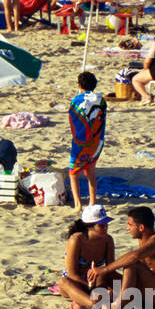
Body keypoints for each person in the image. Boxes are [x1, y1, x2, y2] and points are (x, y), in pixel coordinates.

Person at [87, 205, 155, 309]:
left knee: (131, 265)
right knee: (104, 274)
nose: (127, 228)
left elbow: (134, 256)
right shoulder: (142, 240)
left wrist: (105, 269)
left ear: (141, 227)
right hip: (147, 293)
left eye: (130, 225)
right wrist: (102, 272)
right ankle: (99, 306)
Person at [57, 205, 116, 309]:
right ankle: (93, 305)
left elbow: (110, 269)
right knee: (63, 282)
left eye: (106, 224)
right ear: (89, 226)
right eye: (101, 225)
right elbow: (72, 274)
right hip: (77, 282)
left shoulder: (108, 240)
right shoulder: (76, 240)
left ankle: (90, 305)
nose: (105, 228)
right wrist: (89, 286)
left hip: (97, 281)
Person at [67, 71, 107, 209]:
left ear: (79, 85)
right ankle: (92, 202)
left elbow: (73, 122)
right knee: (91, 172)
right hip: (96, 142)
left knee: (73, 173)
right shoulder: (101, 100)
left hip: (81, 143)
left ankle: (78, 204)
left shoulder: (75, 101)